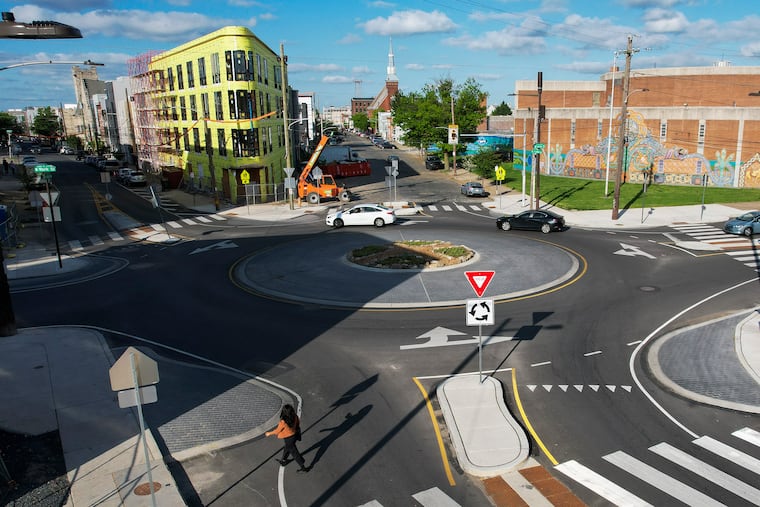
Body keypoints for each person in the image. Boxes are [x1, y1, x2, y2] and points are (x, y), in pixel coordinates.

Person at [266, 404, 310, 472]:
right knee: (287, 448)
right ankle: (284, 460)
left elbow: (277, 431)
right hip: (294, 436)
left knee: (295, 453)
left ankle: (303, 467)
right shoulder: (295, 416)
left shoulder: (283, 422)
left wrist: (269, 433)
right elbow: (298, 423)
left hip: (288, 439)